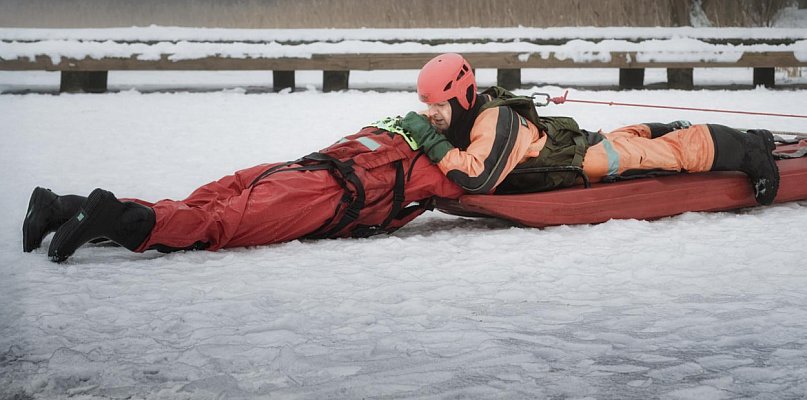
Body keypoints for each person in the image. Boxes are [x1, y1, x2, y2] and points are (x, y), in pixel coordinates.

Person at [23, 119, 466, 263]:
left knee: (197, 204)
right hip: (313, 195)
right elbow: (479, 184)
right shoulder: (433, 161)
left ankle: (61, 207)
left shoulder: (395, 126)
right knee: (215, 226)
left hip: (285, 170)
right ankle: (111, 220)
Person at [400, 53, 780, 204]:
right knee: (625, 138)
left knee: (669, 154)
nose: (432, 113)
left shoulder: (494, 121)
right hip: (566, 147)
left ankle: (751, 150)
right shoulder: (465, 118)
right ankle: (669, 127)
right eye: (427, 105)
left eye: (438, 105)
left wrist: (431, 139)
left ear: (463, 98)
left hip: (585, 161)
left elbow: (479, 177)